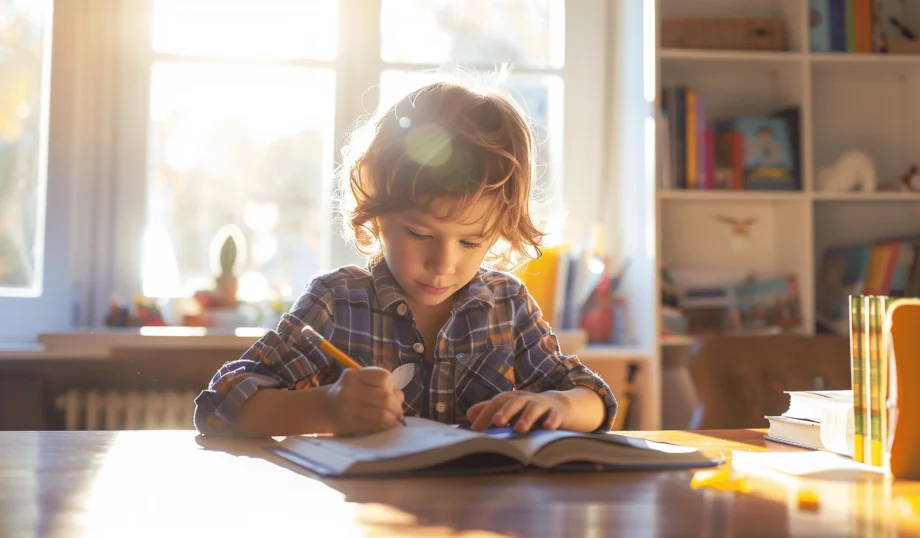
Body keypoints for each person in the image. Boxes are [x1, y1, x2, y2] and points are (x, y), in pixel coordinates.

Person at [194, 77, 617, 437]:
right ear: (377, 214)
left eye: (470, 242)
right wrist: (326, 406)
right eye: (419, 233)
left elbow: (593, 398)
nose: (443, 263)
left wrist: (559, 405)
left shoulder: (508, 306)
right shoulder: (337, 302)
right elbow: (221, 404)